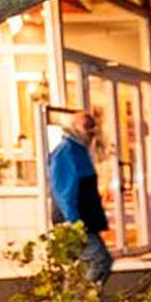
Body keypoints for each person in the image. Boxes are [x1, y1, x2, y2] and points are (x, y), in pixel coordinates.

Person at [48, 111, 112, 286]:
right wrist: (74, 225)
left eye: (93, 126)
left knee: (81, 268)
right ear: (74, 127)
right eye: (87, 126)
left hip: (82, 221)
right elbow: (64, 192)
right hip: (76, 223)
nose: (92, 131)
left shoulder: (78, 151)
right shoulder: (67, 151)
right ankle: (81, 301)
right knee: (98, 260)